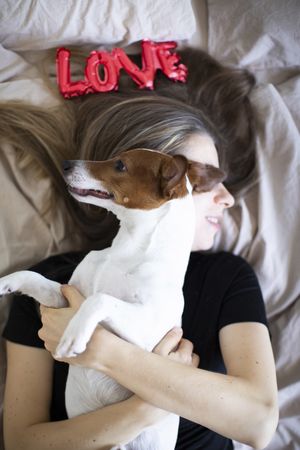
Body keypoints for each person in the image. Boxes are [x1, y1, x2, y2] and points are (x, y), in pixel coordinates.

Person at [2, 49, 278, 450]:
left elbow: (259, 423)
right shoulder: (49, 279)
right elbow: (21, 444)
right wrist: (147, 409)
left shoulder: (226, 278)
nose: (228, 200)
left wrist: (107, 355)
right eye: (201, 182)